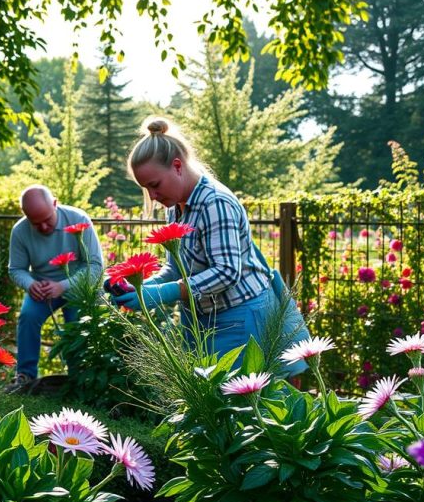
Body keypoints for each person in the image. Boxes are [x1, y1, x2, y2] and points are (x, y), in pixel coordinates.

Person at [113, 118, 303, 370]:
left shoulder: (215, 202)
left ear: (177, 166)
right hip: (204, 320)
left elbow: (226, 272)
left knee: (243, 404)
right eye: (146, 188)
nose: (152, 196)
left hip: (241, 318)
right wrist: (140, 288)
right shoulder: (176, 206)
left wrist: (162, 293)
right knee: (212, 404)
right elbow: (176, 269)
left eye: (155, 185)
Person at [8, 185, 103, 390]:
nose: (43, 228)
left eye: (47, 220)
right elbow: (16, 269)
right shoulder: (20, 231)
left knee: (76, 325)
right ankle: (25, 376)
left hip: (78, 285)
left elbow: (95, 265)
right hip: (41, 288)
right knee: (27, 317)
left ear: (55, 204)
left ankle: (79, 376)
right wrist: (30, 284)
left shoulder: (79, 219)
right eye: (36, 223)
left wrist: (63, 285)